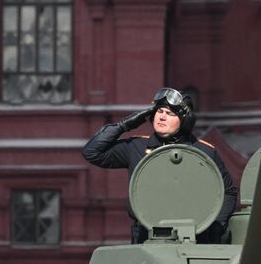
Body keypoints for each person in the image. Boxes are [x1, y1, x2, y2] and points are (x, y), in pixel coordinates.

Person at [82, 87, 237, 243]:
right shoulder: (137, 147)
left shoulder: (203, 152)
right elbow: (92, 152)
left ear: (185, 121)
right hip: (147, 237)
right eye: (159, 111)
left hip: (196, 238)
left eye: (170, 114)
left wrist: (215, 225)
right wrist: (124, 125)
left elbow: (228, 191)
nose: (162, 117)